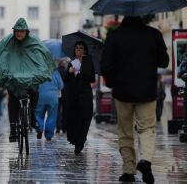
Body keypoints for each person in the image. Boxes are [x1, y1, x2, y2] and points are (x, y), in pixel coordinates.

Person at [101, 16, 169, 183]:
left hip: (122, 91)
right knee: (147, 128)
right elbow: (164, 61)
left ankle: (129, 170)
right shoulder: (153, 34)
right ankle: (145, 160)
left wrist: (112, 83)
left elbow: (106, 65)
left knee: (125, 131)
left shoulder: (115, 36)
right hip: (147, 90)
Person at [0, 18, 55, 142]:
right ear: (14, 31)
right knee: (12, 99)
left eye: (22, 31)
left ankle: (32, 116)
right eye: (17, 31)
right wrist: (4, 71)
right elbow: (0, 53)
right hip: (13, 76)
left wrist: (42, 71)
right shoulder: (8, 41)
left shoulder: (34, 41)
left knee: (35, 92)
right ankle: (13, 128)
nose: (19, 33)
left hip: (30, 76)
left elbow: (43, 54)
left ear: (26, 32)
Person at [64, 41, 95, 154]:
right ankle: (76, 142)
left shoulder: (88, 62)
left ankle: (81, 141)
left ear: (85, 50)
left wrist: (79, 73)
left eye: (81, 48)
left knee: (85, 117)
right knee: (75, 118)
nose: (78, 50)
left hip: (85, 94)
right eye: (76, 48)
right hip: (74, 94)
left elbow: (92, 79)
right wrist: (70, 72)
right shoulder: (72, 63)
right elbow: (66, 80)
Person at [35, 70, 64, 141]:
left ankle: (39, 128)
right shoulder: (55, 72)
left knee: (39, 114)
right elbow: (61, 85)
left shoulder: (38, 71)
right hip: (53, 97)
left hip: (40, 96)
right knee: (52, 116)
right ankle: (48, 135)